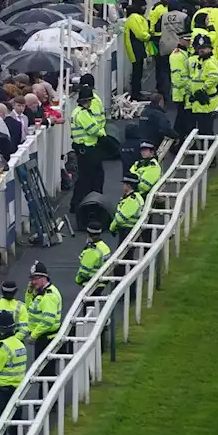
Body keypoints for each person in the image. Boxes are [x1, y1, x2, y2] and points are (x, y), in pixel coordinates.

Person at [68, 86, 105, 214]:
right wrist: (102, 132)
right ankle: (91, 203)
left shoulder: (77, 112)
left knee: (85, 178)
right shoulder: (83, 114)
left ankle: (80, 203)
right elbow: (94, 130)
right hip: (88, 149)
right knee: (93, 178)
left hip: (84, 150)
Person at [25, 262, 63, 377]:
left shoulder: (49, 296)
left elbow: (47, 321)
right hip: (42, 338)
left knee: (45, 374)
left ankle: (47, 395)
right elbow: (29, 307)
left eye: (35, 278)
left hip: (46, 339)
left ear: (44, 278)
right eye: (31, 278)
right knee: (42, 373)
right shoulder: (40, 293)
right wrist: (29, 293)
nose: (33, 282)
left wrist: (34, 335)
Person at [75, 223, 112, 288]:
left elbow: (84, 273)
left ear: (88, 234)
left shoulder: (91, 251)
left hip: (90, 283)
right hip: (102, 281)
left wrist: (78, 280)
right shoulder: (105, 247)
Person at [110, 176, 145, 240]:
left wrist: (112, 228)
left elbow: (120, 218)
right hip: (131, 230)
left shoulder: (132, 200)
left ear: (128, 186)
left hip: (127, 231)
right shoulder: (135, 197)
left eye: (124, 184)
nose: (123, 187)